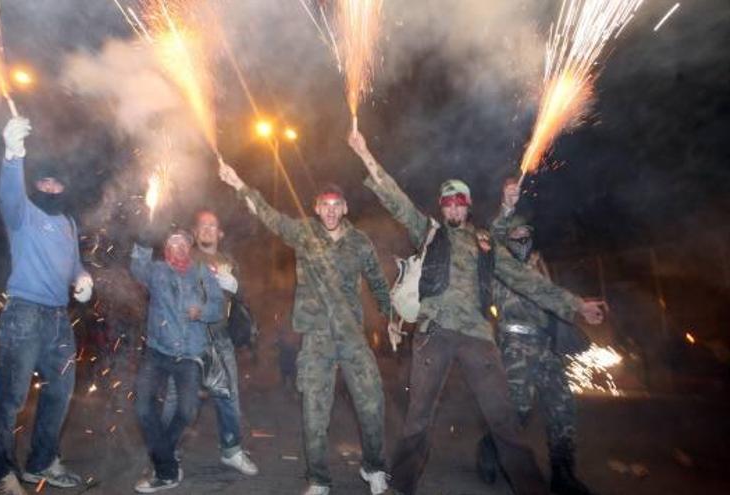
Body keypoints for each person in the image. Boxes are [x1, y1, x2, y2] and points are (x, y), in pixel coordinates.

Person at [347, 130, 605, 495]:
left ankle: (531, 489)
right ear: (442, 207)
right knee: (418, 417)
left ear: (468, 206)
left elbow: (527, 281)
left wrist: (576, 305)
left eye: (459, 202)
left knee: (503, 420)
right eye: (447, 202)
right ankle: (402, 486)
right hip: (434, 332)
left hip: (478, 338)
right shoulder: (430, 232)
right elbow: (397, 201)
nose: (453, 208)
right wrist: (365, 154)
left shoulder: (485, 242)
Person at [218, 160, 396, 495]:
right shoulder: (304, 232)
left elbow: (376, 281)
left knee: (372, 402)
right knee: (314, 411)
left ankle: (373, 468)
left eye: (335, 206)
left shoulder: (359, 242)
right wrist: (240, 184)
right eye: (324, 205)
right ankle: (318, 479)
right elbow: (269, 216)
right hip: (316, 338)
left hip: (352, 336)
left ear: (344, 208)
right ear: (316, 208)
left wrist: (390, 320)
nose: (329, 212)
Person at [0, 116, 93, 495]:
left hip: (58, 318)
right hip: (24, 313)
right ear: (37, 186)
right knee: (12, 397)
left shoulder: (67, 222)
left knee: (61, 390)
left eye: (56, 182)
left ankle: (41, 462)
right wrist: (13, 155)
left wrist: (82, 278)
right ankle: (1, 475)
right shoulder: (24, 215)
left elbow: (74, 262)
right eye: (44, 181)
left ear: (64, 187)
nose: (50, 186)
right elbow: (8, 196)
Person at [474, 179, 597, 495]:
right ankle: (489, 450)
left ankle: (563, 474)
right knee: (518, 410)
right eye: (515, 233)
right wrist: (506, 206)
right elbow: (496, 233)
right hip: (515, 344)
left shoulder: (539, 264)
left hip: (545, 345)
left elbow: (550, 296)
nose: (520, 237)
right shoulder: (500, 262)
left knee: (562, 407)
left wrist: (576, 309)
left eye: (524, 233)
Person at [161, 210, 258, 476]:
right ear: (195, 231)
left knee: (228, 395)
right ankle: (166, 453)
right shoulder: (185, 257)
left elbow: (245, 297)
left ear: (220, 233)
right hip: (187, 338)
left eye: (212, 226)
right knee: (176, 399)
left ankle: (231, 450)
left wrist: (236, 286)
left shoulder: (229, 261)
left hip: (220, 338)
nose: (207, 229)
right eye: (202, 226)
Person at [130, 228, 226, 493]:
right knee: (143, 408)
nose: (179, 247)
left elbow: (219, 306)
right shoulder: (157, 271)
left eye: (184, 242)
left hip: (190, 354)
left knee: (187, 412)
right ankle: (167, 471)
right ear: (166, 248)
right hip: (157, 351)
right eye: (173, 242)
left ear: (189, 246)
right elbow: (138, 267)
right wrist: (144, 233)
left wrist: (202, 311)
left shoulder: (202, 272)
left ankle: (164, 458)